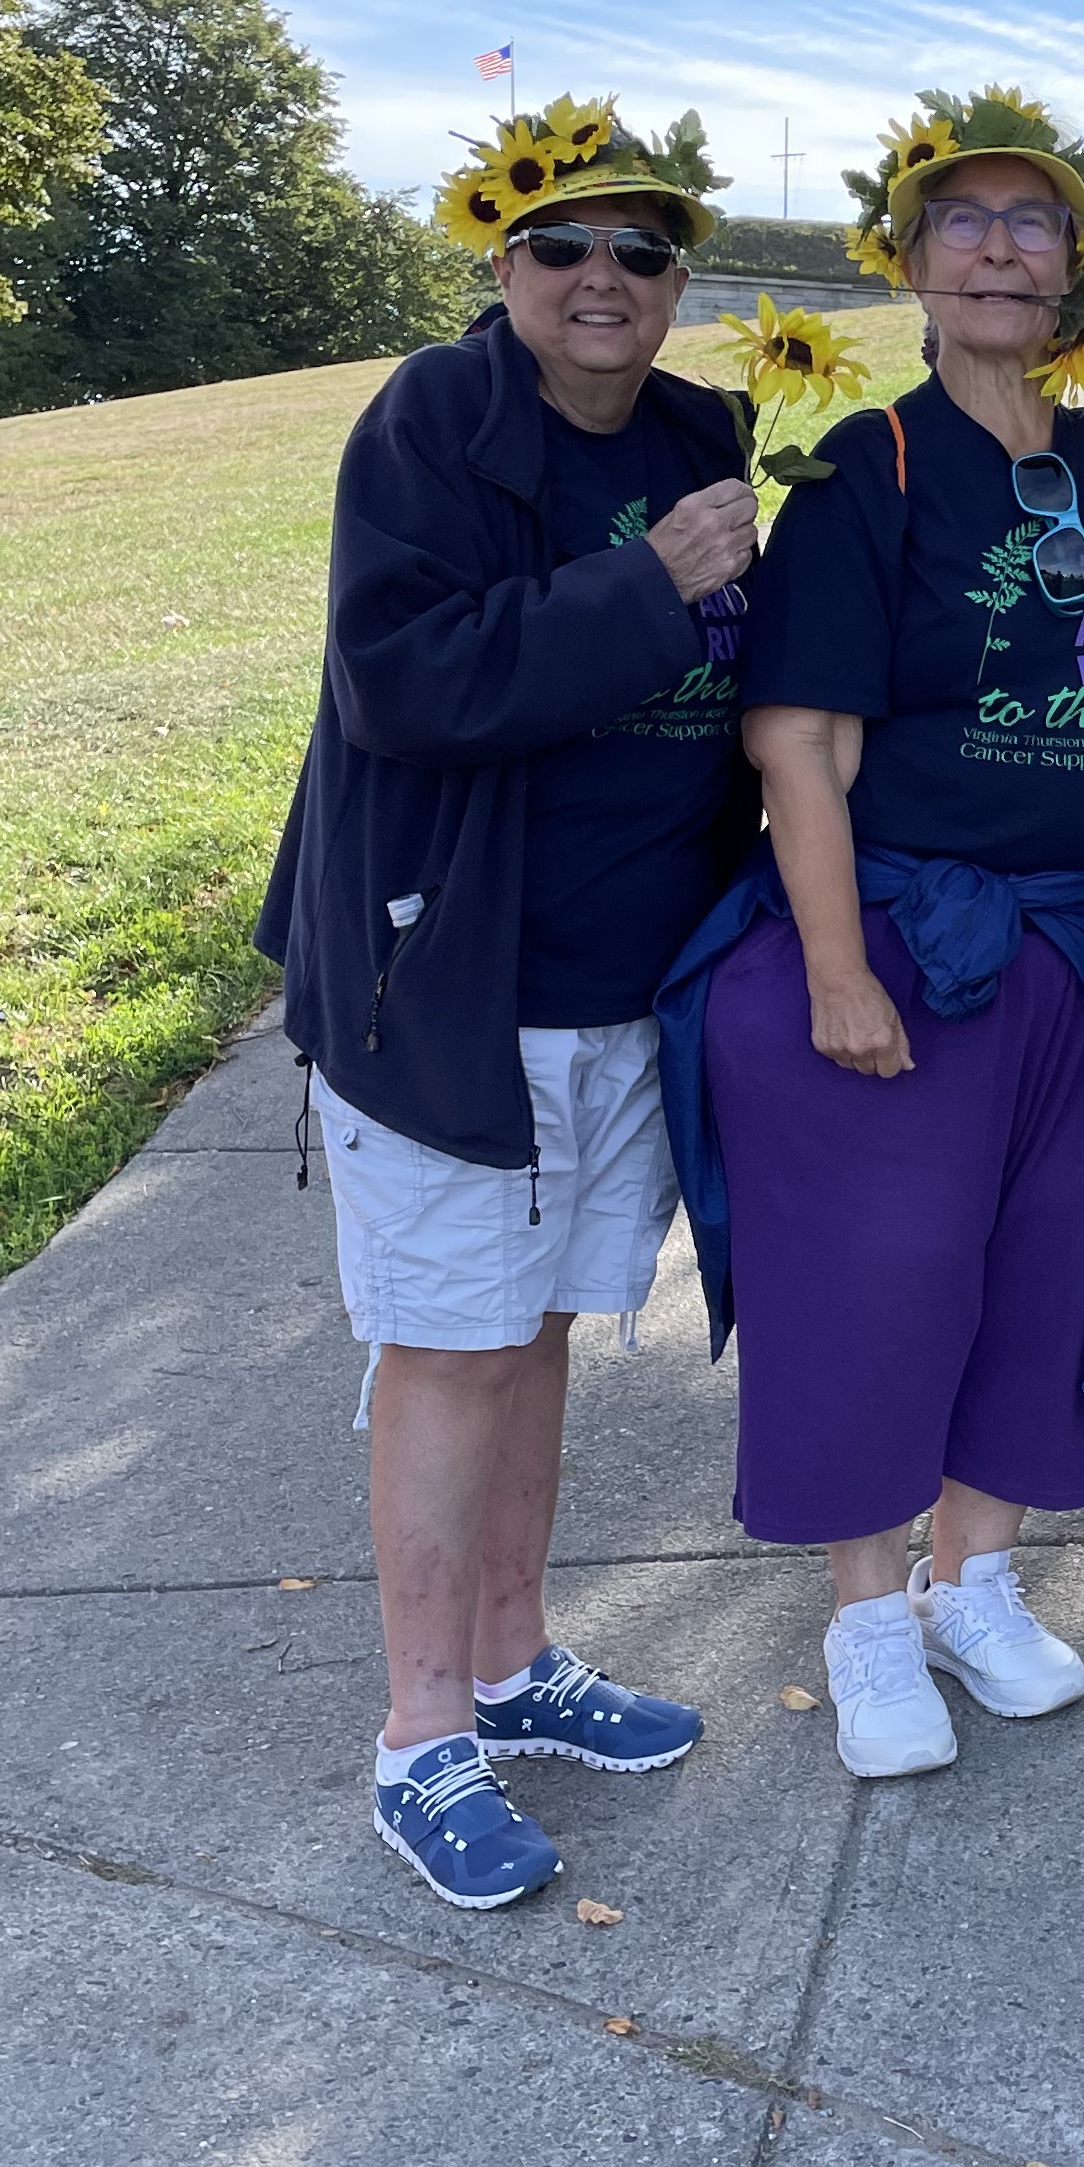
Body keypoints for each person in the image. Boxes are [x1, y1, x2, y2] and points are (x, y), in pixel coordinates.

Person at [659, 88, 1084, 1783]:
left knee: (1046, 1280)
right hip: (908, 946)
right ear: (907, 258)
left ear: (1080, 268)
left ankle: (978, 1582)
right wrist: (834, 968)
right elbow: (797, 740)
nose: (996, 247)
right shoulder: (867, 473)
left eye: (1032, 221)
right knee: (877, 1290)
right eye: (961, 219)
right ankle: (869, 1617)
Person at [260, 99, 754, 1908]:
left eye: (640, 248)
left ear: (677, 278)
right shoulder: (433, 424)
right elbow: (404, 682)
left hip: (624, 989)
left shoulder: (704, 431)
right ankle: (418, 1738)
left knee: (537, 1328)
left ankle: (515, 1661)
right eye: (563, 244)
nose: (603, 277)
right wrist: (653, 582)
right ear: (504, 263)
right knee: (451, 1348)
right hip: (448, 987)